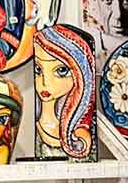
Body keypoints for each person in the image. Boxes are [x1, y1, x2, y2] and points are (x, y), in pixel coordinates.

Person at [33, 23, 95, 160]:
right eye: (38, 70)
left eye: (61, 70)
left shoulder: (79, 136)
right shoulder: (37, 124)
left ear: (81, 75)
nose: (45, 83)